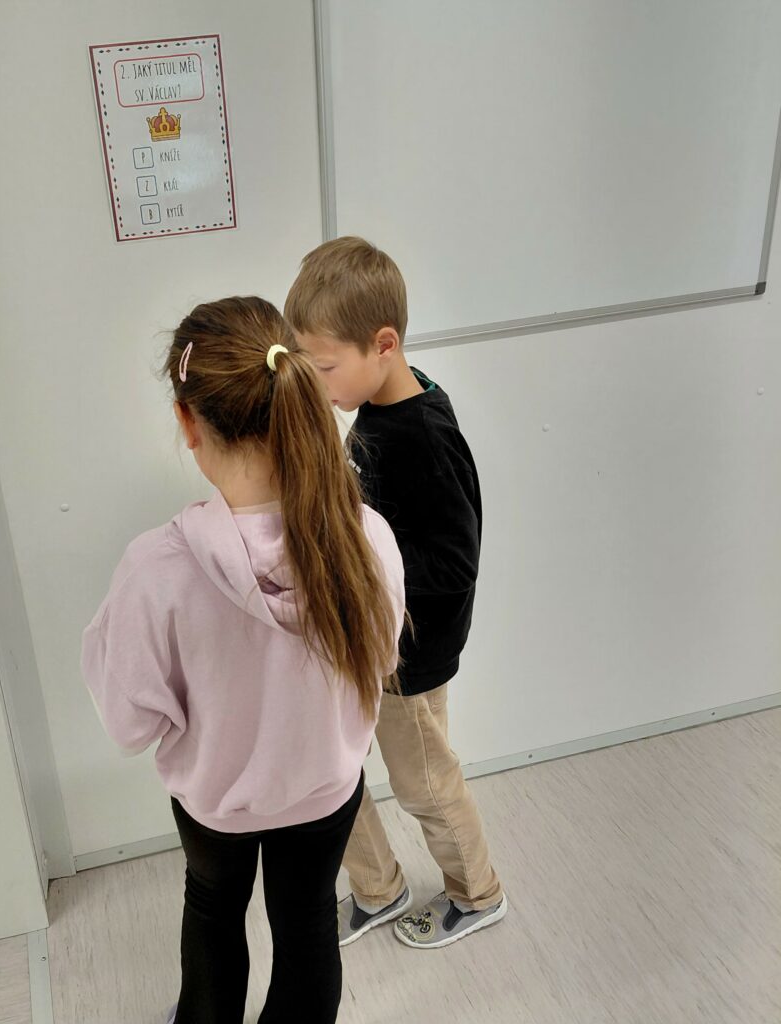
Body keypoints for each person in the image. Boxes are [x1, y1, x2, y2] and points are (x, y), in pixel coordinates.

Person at [80, 295, 405, 1023]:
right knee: (308, 920)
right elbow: (380, 662)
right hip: (325, 788)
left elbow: (129, 726)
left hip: (215, 803)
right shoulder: (369, 537)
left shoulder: (156, 570)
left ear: (188, 423)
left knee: (213, 908)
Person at [285, 236, 507, 950]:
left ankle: (478, 895)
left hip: (411, 655)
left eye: (324, 368)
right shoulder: (380, 409)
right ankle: (379, 890)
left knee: (426, 785)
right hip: (373, 636)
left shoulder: (422, 435)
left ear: (384, 345)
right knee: (333, 769)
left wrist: (362, 559)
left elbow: (456, 561)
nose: (318, 385)